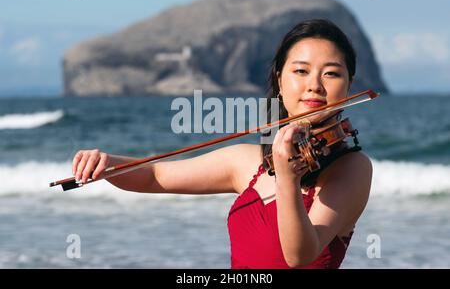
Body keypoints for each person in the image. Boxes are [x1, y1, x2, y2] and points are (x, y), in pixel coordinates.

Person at [71, 19, 373, 269]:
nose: (315, 85)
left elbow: (299, 256)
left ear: (348, 84)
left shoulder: (351, 169)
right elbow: (156, 176)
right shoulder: (248, 162)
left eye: (331, 73)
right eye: (301, 71)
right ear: (280, 82)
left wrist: (287, 179)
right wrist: (108, 164)